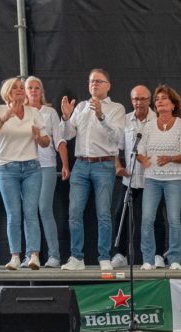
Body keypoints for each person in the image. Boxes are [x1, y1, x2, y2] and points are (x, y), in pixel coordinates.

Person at [60, 68, 126, 271]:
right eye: (91, 81)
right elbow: (68, 135)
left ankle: (104, 257)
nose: (94, 84)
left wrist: (101, 116)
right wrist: (66, 117)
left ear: (108, 85)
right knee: (74, 212)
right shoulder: (80, 107)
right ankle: (76, 258)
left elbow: (120, 140)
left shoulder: (116, 108)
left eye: (98, 81)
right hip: (80, 164)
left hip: (104, 164)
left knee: (103, 213)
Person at [0, 76, 49, 270]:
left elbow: (46, 142)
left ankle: (34, 255)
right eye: (16, 88)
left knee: (31, 212)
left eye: (22, 87)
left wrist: (39, 138)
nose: (20, 90)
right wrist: (5, 117)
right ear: (7, 92)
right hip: (7, 168)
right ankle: (15, 256)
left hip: (31, 168)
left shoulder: (33, 112)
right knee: (13, 213)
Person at [137, 84, 181, 270]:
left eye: (164, 98)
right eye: (157, 99)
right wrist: (143, 159)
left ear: (173, 105)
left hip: (174, 180)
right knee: (147, 219)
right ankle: (148, 259)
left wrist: (170, 158)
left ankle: (175, 259)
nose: (159, 101)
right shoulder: (148, 126)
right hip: (152, 178)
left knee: (174, 220)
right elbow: (139, 149)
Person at [26, 75, 68, 268]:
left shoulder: (50, 112)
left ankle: (54, 256)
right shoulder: (21, 112)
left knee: (44, 208)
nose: (33, 91)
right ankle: (31, 255)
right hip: (26, 166)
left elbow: (59, 140)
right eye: (30, 88)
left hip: (47, 165)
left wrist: (65, 165)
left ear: (41, 92)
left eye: (37, 88)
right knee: (29, 211)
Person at [112, 84, 155, 268]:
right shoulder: (126, 120)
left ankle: (157, 255)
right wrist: (118, 166)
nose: (139, 102)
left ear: (149, 100)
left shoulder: (157, 119)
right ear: (132, 101)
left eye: (143, 99)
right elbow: (115, 146)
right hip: (129, 178)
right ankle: (120, 254)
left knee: (153, 218)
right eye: (136, 99)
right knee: (120, 215)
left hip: (152, 179)